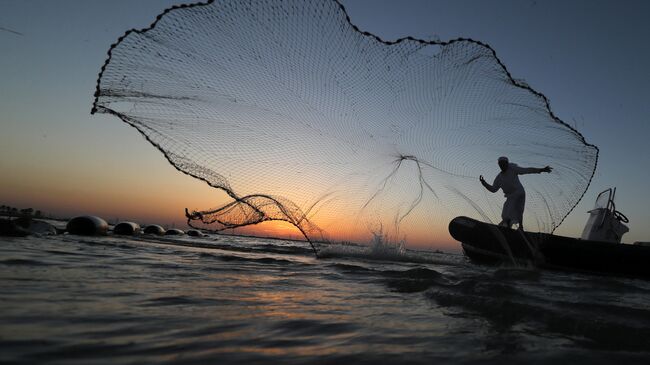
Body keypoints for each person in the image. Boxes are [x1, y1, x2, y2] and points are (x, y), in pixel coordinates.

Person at [479, 156, 552, 230]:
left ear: (507, 163)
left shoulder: (513, 169)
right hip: (512, 195)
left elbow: (527, 170)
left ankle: (509, 225)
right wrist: (484, 183)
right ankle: (518, 227)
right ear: (499, 165)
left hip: (519, 192)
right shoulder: (499, 178)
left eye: (504, 164)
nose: (502, 166)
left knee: (510, 211)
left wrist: (541, 170)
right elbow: (493, 189)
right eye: (500, 164)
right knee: (514, 210)